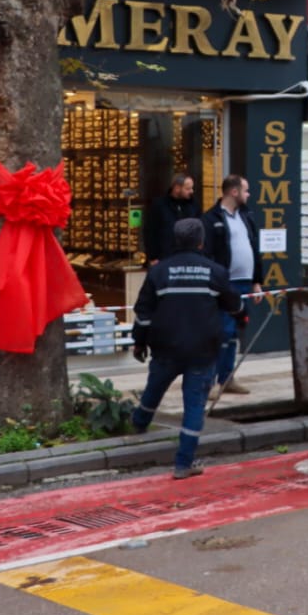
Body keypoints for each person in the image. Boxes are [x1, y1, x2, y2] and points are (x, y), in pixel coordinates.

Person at [131, 219, 246, 479]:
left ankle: (138, 425)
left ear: (176, 240)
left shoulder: (159, 272)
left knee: (154, 389)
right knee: (194, 405)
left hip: (165, 347)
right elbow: (234, 303)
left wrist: (139, 341)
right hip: (202, 350)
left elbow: (143, 312)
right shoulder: (214, 271)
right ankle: (184, 463)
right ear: (201, 242)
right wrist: (242, 315)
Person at [202, 174, 261, 398]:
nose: (249, 195)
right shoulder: (211, 218)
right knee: (223, 332)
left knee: (235, 332)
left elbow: (254, 249)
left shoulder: (246, 216)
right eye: (245, 190)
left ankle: (227, 378)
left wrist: (257, 281)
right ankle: (212, 380)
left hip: (244, 283)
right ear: (234, 192)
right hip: (225, 284)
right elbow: (207, 253)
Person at [142, 172, 199, 265]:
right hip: (165, 258)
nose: (191, 191)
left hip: (189, 258)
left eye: (192, 188)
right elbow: (150, 232)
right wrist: (153, 257)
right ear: (177, 188)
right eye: (188, 189)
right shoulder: (159, 206)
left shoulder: (193, 206)